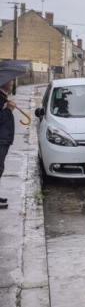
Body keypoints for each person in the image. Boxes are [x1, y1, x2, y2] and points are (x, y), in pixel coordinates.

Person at [0, 80, 16, 210]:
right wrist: (8, 110)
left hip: (4, 138)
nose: (12, 84)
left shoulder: (3, 97)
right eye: (10, 83)